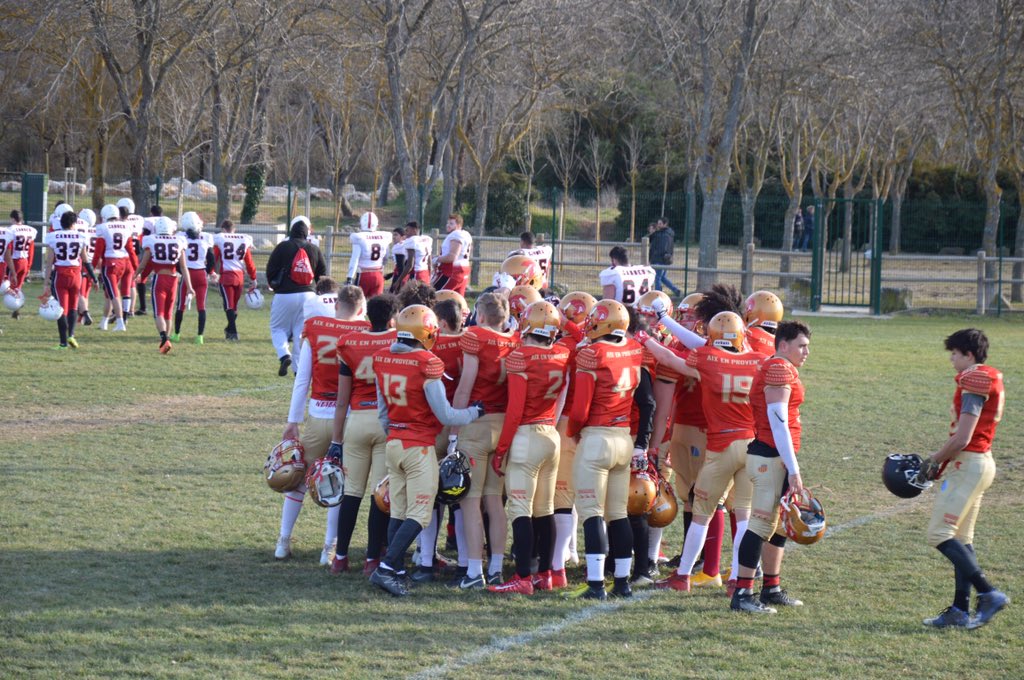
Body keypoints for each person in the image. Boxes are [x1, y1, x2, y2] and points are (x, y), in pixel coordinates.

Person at [368, 305, 483, 596]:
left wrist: (396, 433)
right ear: (427, 332)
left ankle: (396, 570)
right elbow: (446, 415)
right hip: (417, 447)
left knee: (399, 511)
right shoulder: (427, 363)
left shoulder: (381, 357)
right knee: (420, 515)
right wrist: (474, 412)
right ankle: (386, 569)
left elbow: (382, 412)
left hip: (393, 442)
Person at [649, 310, 762, 595]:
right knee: (744, 515)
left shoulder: (707, 358)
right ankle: (738, 578)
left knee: (701, 513)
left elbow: (669, 358)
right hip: (751, 444)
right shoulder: (757, 360)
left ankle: (683, 575)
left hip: (721, 446)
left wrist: (642, 337)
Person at [918, 329, 1008, 629]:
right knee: (961, 539)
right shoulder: (984, 377)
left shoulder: (975, 379)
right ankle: (959, 609)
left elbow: (963, 437)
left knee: (938, 533)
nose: (952, 360)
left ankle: (988, 593)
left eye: (955, 354)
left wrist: (934, 459)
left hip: (969, 464)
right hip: (979, 463)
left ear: (969, 355)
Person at [276, 285, 370, 562]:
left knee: (297, 481)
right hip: (350, 418)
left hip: (318, 414)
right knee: (339, 482)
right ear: (361, 308)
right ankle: (329, 547)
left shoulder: (316, 328)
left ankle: (283, 540)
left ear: (336, 305)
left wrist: (293, 420)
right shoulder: (366, 332)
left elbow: (302, 379)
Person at [487, 301, 570, 595]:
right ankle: (546, 574)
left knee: (520, 509)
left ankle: (522, 576)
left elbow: (515, 410)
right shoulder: (562, 353)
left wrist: (501, 449)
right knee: (545, 508)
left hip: (526, 436)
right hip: (550, 434)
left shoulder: (520, 357)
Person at [565, 299, 645, 600]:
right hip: (623, 438)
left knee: (592, 513)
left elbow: (579, 411)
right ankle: (622, 581)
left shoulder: (592, 354)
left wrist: (573, 432)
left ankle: (596, 583)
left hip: (597, 439)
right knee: (618, 513)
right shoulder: (634, 349)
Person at [731, 320, 811, 614]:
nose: (806, 352)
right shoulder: (778, 369)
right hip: (770, 457)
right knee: (761, 525)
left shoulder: (783, 367)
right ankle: (742, 594)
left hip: (776, 456)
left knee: (779, 525)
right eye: (801, 346)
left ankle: (771, 588)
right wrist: (794, 468)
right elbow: (778, 424)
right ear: (784, 345)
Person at [451, 292, 520, 588]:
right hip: (504, 426)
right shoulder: (515, 340)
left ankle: (473, 572)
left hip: (477, 424)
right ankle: (496, 568)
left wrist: (454, 430)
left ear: (480, 315)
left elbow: (465, 386)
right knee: (495, 501)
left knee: (470, 502)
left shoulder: (475, 336)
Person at [329, 293, 400, 576]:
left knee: (351, 492)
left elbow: (342, 401)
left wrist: (336, 440)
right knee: (378, 495)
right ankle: (372, 560)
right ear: (392, 319)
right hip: (386, 422)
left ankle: (340, 558)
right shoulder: (397, 340)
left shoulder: (349, 343)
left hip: (357, 420)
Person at [266, 216, 327, 373]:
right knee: (301, 333)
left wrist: (275, 285)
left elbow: (270, 270)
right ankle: (298, 369)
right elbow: (323, 274)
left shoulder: (282, 247)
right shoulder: (314, 249)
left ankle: (284, 355)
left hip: (285, 294)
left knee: (277, 328)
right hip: (309, 295)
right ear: (307, 232)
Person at [134, 216, 193, 353]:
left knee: (159, 313)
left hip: (159, 278)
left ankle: (164, 339)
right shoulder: (179, 240)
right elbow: (184, 267)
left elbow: (143, 264)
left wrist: (135, 275)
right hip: (173, 280)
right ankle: (167, 340)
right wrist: (189, 287)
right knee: (168, 313)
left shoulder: (151, 239)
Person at [43, 210, 95, 349]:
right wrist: (94, 278)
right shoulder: (81, 236)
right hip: (76, 275)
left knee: (61, 310)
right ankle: (71, 335)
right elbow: (86, 261)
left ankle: (63, 343)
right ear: (74, 223)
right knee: (73, 307)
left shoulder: (53, 236)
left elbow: (49, 262)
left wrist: (46, 281)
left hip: (61, 275)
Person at [92, 203, 138, 331]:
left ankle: (120, 323)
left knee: (114, 294)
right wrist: (137, 268)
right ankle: (104, 322)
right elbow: (131, 251)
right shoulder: (126, 226)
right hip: (123, 262)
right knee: (108, 293)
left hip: (110, 264)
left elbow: (98, 253)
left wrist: (91, 270)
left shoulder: (103, 228)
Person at [172, 212, 216, 344]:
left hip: (187, 273)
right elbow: (211, 258)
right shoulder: (206, 236)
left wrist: (180, 271)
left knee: (181, 306)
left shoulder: (180, 236)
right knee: (201, 306)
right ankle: (199, 337)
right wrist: (208, 272)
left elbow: (176, 258)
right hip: (201, 274)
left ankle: (176, 334)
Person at [213, 219, 258, 342]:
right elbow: (249, 262)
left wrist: (211, 272)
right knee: (233, 307)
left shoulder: (220, 239)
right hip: (239, 278)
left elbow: (214, 257)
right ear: (234, 229)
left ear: (223, 229)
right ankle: (230, 330)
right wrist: (253, 278)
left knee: (229, 307)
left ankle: (232, 332)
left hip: (226, 277)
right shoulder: (244, 239)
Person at [346, 211, 392, 298]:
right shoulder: (384, 236)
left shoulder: (359, 237)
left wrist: (349, 277)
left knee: (358, 303)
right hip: (378, 274)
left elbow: (355, 259)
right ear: (376, 224)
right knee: (376, 303)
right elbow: (386, 257)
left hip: (364, 274)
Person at [432, 214, 472, 295]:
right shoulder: (466, 234)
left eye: (451, 223)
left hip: (452, 271)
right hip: (464, 270)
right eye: (447, 223)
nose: (448, 225)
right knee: (457, 300)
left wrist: (436, 259)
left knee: (434, 295)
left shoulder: (456, 234)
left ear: (459, 225)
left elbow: (452, 257)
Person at [76, 208, 98, 326]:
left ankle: (84, 314)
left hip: (83, 263)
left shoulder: (80, 230)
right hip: (92, 264)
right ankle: (82, 317)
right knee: (86, 293)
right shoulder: (97, 231)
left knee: (79, 292)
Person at [649, 217, 680, 297]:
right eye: (658, 223)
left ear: (665, 224)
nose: (658, 225)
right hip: (666, 259)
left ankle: (658, 294)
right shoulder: (666, 233)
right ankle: (676, 290)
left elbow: (660, 247)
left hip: (660, 259)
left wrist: (655, 256)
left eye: (660, 224)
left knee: (657, 278)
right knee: (662, 277)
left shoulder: (663, 235)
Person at [397, 221, 432, 286]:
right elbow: (429, 263)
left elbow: (410, 265)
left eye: (407, 230)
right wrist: (429, 276)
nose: (405, 233)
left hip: (417, 274)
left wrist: (399, 280)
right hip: (425, 273)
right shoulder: (427, 239)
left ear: (414, 230)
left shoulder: (412, 240)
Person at [385, 227, 408, 293]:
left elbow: (401, 267)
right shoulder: (405, 245)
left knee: (393, 295)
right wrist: (391, 275)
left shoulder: (399, 246)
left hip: (401, 276)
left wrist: (398, 281)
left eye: (396, 235)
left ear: (403, 237)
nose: (393, 237)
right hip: (405, 274)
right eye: (393, 235)